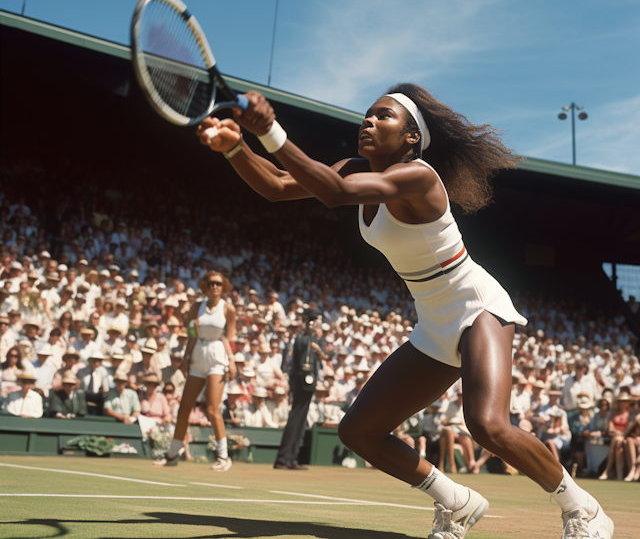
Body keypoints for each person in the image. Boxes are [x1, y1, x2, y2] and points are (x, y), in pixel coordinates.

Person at [196, 85, 614, 538]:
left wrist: (271, 130)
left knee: (487, 423)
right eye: (367, 115)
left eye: (384, 116)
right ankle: (456, 501)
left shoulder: (419, 177)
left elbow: (334, 193)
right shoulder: (354, 169)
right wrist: (236, 147)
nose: (369, 122)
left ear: (411, 138)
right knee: (359, 432)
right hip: (432, 317)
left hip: (476, 304)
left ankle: (584, 509)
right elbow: (277, 186)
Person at [153, 271, 237, 471]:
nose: (214, 287)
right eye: (211, 284)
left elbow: (228, 338)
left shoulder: (228, 309)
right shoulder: (196, 307)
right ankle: (173, 454)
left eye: (218, 284)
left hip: (217, 357)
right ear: (205, 287)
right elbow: (192, 334)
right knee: (184, 408)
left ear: (223, 286)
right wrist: (185, 357)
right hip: (198, 356)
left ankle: (223, 456)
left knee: (212, 409)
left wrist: (232, 361)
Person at [271, 308, 326, 470]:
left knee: (301, 421)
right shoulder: (303, 340)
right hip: (301, 382)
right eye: (314, 320)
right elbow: (302, 360)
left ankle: (291, 458)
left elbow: (322, 356)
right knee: (296, 419)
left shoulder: (311, 340)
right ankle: (283, 458)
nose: (316, 324)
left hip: (307, 383)